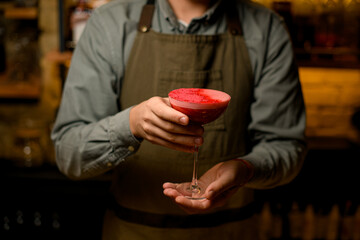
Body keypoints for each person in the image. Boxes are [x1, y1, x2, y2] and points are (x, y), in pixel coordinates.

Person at [51, 0, 307, 239]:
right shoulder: (110, 23)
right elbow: (68, 154)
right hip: (134, 231)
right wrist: (131, 125)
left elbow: (286, 146)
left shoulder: (267, 28)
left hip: (232, 231)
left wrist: (246, 168)